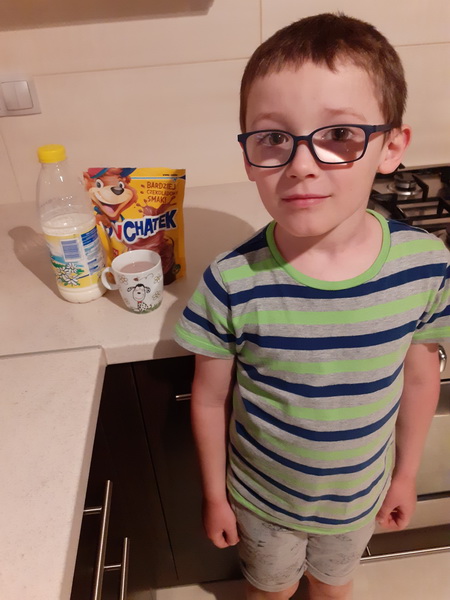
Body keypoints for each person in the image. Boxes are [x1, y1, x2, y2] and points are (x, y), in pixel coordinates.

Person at [174, 12, 450, 600]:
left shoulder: (424, 266)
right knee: (270, 592)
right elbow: (209, 398)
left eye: (340, 135)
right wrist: (215, 496)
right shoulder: (233, 281)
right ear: (248, 157)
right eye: (274, 138)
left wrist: (405, 476)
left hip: (358, 499)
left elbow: (421, 377)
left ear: (391, 148)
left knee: (333, 588)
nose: (301, 164)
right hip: (262, 502)